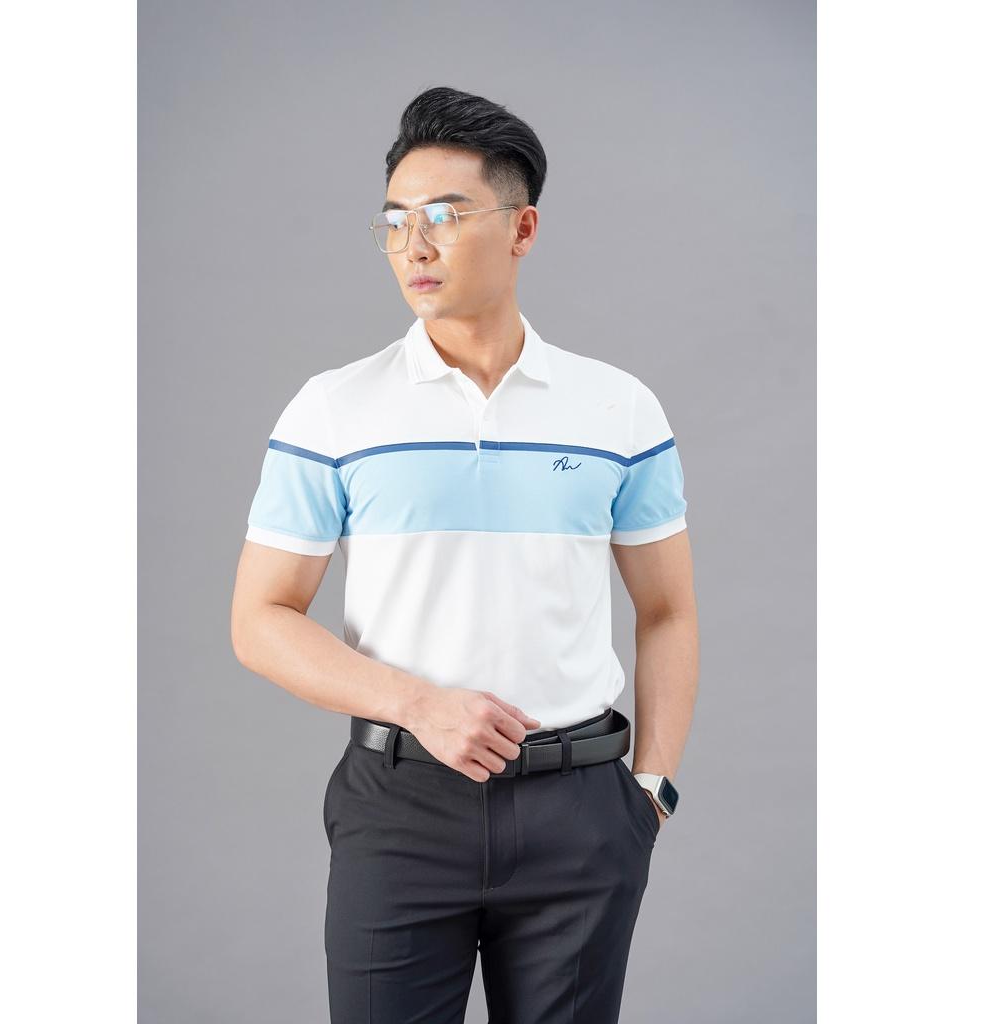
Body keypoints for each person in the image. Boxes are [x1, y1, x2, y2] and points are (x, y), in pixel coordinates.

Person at [230, 85, 699, 1024]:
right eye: (395, 221)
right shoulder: (333, 409)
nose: (415, 245)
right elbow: (259, 619)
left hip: (580, 813)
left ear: (523, 229)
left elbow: (668, 610)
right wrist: (418, 705)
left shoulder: (619, 408)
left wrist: (649, 790)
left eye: (445, 216)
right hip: (399, 807)